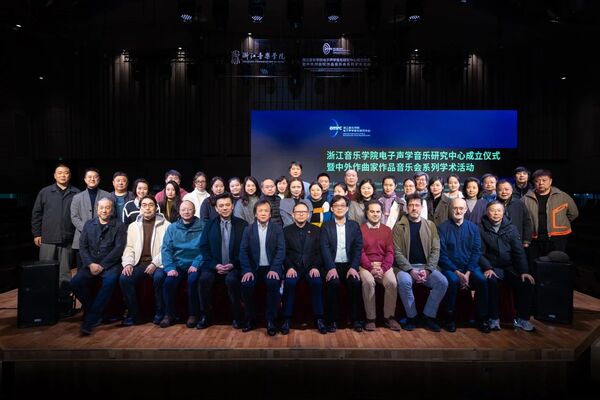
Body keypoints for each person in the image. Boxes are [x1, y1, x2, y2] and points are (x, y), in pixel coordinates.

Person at [70, 198, 126, 335]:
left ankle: (90, 320)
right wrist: (90, 264)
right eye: (101, 208)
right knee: (75, 283)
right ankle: (95, 311)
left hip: (111, 265)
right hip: (91, 264)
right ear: (97, 209)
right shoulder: (89, 224)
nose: (104, 210)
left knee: (109, 282)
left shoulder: (119, 225)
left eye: (107, 208)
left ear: (112, 210)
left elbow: (118, 249)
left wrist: (102, 265)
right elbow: (83, 247)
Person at [393, 194, 448, 332]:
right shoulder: (399, 226)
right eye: (411, 205)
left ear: (422, 207)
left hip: (425, 267)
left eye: (417, 205)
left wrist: (428, 270)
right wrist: (410, 270)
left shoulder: (430, 225)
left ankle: (428, 316)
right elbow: (397, 252)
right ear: (407, 207)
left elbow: (436, 249)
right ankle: (412, 317)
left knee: (442, 282)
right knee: (404, 281)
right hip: (405, 268)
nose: (414, 208)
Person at [479, 201, 536, 332]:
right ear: (487, 212)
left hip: (510, 267)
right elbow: (479, 252)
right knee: (491, 281)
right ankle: (493, 318)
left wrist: (524, 271)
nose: (496, 213)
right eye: (492, 210)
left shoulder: (511, 228)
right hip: (492, 267)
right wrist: (488, 267)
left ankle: (522, 319)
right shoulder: (480, 228)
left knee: (526, 282)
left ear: (503, 212)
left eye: (499, 210)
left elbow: (519, 252)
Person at [438, 198, 489, 333]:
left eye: (461, 208)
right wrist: (457, 272)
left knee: (481, 280)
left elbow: (476, 252)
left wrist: (468, 273)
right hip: (450, 267)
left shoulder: (473, 228)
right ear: (450, 210)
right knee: (453, 280)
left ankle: (482, 318)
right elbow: (442, 254)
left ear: (466, 210)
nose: (458, 211)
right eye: (455, 208)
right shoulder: (442, 228)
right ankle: (449, 318)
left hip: (469, 268)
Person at [198, 193, 248, 329]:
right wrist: (214, 265)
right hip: (214, 265)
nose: (224, 208)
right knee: (204, 279)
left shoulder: (242, 225)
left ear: (232, 206)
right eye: (221, 206)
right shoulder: (209, 225)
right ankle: (206, 316)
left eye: (227, 205)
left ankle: (237, 317)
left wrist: (233, 264)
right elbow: (204, 247)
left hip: (235, 265)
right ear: (216, 208)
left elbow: (245, 249)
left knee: (232, 280)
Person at [119, 195, 169, 325]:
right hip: (139, 264)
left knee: (159, 277)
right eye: (144, 205)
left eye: (151, 205)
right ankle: (135, 315)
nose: (147, 208)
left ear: (156, 208)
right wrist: (128, 264)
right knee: (125, 278)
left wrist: (155, 263)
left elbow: (167, 249)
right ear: (140, 208)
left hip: (159, 264)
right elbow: (129, 248)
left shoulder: (166, 225)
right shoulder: (133, 226)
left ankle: (160, 313)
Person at [239, 200, 286, 336]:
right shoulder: (248, 229)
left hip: (271, 267)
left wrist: (275, 269)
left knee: (273, 283)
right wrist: (247, 270)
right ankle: (250, 319)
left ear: (270, 214)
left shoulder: (277, 229)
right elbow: (243, 251)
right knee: (247, 284)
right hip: (253, 268)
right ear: (255, 213)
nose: (263, 213)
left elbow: (281, 250)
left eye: (266, 211)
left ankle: (271, 320)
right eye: (260, 211)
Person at [281, 201, 327, 335]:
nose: (301, 214)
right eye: (298, 212)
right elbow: (283, 252)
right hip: (293, 267)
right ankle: (286, 319)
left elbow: (320, 252)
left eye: (303, 212)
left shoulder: (316, 230)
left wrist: (315, 267)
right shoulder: (286, 231)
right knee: (289, 283)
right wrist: (289, 267)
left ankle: (319, 318)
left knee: (317, 282)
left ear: (308, 214)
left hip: (311, 267)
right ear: (292, 214)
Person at [32, 164, 81, 286]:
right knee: (45, 269)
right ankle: (46, 295)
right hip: (48, 238)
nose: (63, 175)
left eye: (66, 173)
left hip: (67, 238)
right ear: (54, 175)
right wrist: (36, 234)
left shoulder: (76, 193)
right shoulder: (45, 192)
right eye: (59, 173)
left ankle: (64, 296)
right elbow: (37, 213)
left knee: (65, 272)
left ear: (70, 175)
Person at [320, 195, 363, 332]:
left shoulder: (354, 226)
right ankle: (332, 320)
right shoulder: (326, 226)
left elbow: (358, 248)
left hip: (349, 265)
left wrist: (354, 267)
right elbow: (324, 248)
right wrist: (331, 268)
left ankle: (355, 319)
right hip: (332, 265)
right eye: (336, 206)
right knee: (333, 283)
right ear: (332, 209)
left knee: (355, 282)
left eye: (342, 205)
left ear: (347, 208)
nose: (339, 208)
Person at [159, 200, 204, 328]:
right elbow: (166, 249)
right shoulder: (172, 228)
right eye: (183, 209)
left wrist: (196, 264)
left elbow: (205, 248)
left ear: (194, 211)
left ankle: (193, 314)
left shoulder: (203, 226)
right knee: (169, 282)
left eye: (189, 209)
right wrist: (170, 267)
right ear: (179, 212)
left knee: (193, 281)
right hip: (177, 264)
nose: (186, 212)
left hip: (195, 264)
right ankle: (169, 314)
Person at [359, 201, 401, 331]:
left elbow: (390, 252)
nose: (375, 214)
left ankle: (389, 317)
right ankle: (370, 318)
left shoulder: (387, 230)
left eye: (378, 211)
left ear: (381, 213)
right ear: (366, 213)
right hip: (365, 265)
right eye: (372, 211)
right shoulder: (360, 229)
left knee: (392, 282)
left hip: (383, 265)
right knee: (368, 282)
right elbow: (360, 252)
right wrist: (370, 267)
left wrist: (382, 268)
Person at [522, 169, 579, 264]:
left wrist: (560, 222)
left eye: (544, 180)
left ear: (550, 181)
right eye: (537, 181)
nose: (540, 183)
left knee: (556, 264)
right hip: (534, 238)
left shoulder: (563, 196)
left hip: (558, 237)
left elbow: (573, 214)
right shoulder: (526, 198)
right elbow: (522, 217)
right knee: (535, 264)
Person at [70, 168, 110, 265]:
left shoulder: (107, 195)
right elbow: (74, 217)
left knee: (101, 268)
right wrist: (88, 230)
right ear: (85, 179)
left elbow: (111, 214)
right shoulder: (77, 197)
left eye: (95, 177)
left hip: (103, 237)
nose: (92, 179)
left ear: (99, 179)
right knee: (82, 269)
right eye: (89, 177)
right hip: (82, 236)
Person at [496, 179, 532, 247]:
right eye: (500, 190)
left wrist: (526, 240)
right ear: (496, 191)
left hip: (517, 239)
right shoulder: (493, 205)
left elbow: (526, 221)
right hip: (498, 241)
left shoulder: (519, 203)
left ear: (512, 190)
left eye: (506, 189)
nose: (504, 192)